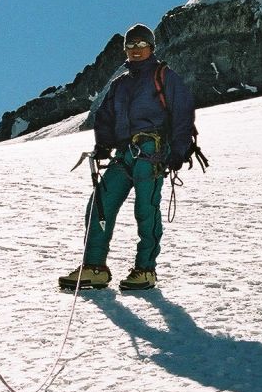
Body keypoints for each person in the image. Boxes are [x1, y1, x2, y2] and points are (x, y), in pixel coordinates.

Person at [58, 23, 195, 291]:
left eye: (141, 45)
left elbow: (182, 113)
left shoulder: (163, 75)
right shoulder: (120, 84)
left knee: (145, 210)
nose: (135, 50)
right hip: (124, 154)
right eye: (130, 46)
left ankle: (145, 270)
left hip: (152, 151)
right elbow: (105, 116)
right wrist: (102, 146)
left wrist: (179, 151)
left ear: (151, 48)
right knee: (100, 204)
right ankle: (94, 267)